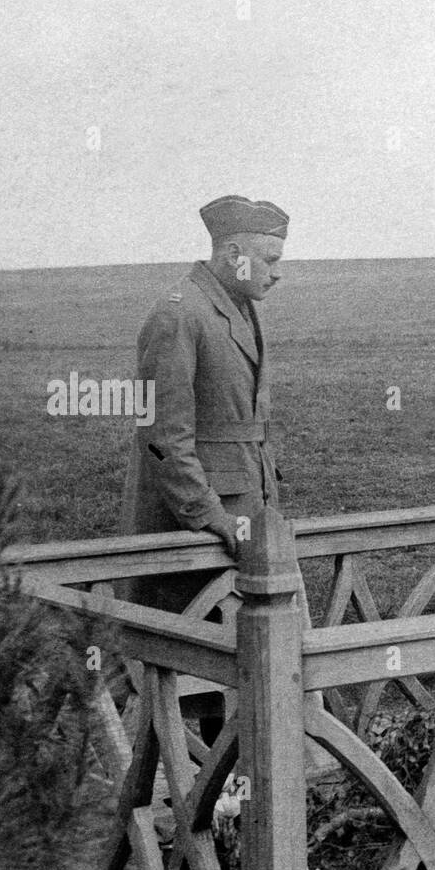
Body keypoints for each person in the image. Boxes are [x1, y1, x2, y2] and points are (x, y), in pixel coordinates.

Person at [119, 194, 289, 611]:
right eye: (269, 260)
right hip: (199, 521)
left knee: (254, 646)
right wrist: (206, 512)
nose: (277, 273)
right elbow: (161, 437)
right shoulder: (179, 313)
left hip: (246, 505)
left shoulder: (240, 307)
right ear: (234, 254)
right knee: (185, 647)